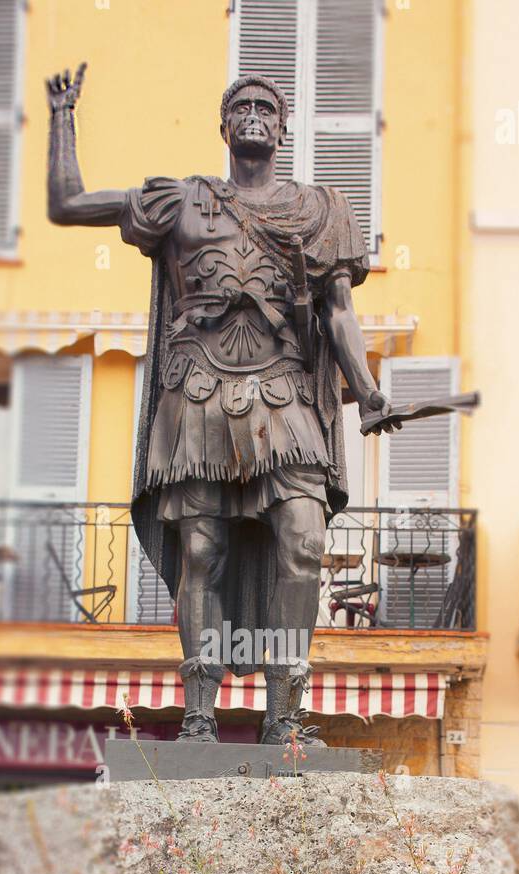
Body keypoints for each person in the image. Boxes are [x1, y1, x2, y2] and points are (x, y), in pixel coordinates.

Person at [47, 64, 396, 745]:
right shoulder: (180, 202)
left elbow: (339, 314)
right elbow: (67, 205)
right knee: (201, 552)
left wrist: (369, 390)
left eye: (267, 107)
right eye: (242, 107)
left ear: (284, 126)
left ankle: (285, 716)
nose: (255, 116)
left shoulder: (320, 210)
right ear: (225, 127)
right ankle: (200, 717)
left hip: (284, 393)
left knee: (304, 536)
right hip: (197, 390)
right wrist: (63, 117)